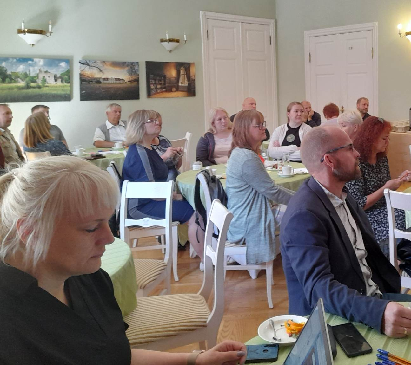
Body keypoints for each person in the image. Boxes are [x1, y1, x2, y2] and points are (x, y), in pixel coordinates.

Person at [0, 156, 247, 365]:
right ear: (31, 231)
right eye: (91, 228)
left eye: (107, 221)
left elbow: (115, 355)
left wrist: (195, 360)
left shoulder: (89, 278)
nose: (109, 238)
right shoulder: (10, 323)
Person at [281, 126, 411, 337]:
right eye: (350, 148)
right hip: (335, 321)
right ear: (329, 160)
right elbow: (319, 289)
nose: (357, 153)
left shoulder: (341, 195)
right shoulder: (304, 215)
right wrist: (378, 312)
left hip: (369, 297)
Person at [121, 110, 202, 257]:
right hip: (140, 207)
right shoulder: (140, 153)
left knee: (195, 205)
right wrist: (178, 197)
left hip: (150, 201)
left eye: (156, 120)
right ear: (139, 126)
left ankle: (200, 250)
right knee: (196, 214)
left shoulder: (148, 148)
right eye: (151, 121)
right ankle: (205, 259)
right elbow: (152, 191)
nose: (157, 122)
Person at [226, 110, 294, 265]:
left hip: (244, 215)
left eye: (263, 124)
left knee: (298, 212)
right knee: (301, 215)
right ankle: (301, 261)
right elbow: (273, 192)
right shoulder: (247, 158)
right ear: (245, 130)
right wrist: (302, 201)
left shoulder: (241, 153)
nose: (264, 128)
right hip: (248, 220)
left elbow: (271, 189)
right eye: (258, 125)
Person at [346, 117, 411, 257]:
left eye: (388, 138)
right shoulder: (356, 163)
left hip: (383, 207)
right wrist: (386, 188)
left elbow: (386, 188)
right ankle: (390, 255)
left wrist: (399, 180)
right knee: (400, 217)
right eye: (384, 138)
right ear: (370, 138)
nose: (387, 142)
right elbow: (359, 205)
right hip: (365, 215)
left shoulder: (381, 158)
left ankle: (401, 253)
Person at [150, 114, 184, 181]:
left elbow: (177, 166)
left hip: (173, 173)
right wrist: (165, 156)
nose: (160, 128)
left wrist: (178, 155)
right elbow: (150, 167)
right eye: (157, 125)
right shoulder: (145, 146)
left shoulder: (163, 139)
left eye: (160, 125)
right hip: (160, 179)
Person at [0, 104, 24, 169]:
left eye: (11, 113)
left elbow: (19, 156)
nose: (11, 116)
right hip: (8, 173)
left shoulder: (6, 131)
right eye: (7, 113)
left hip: (19, 170)